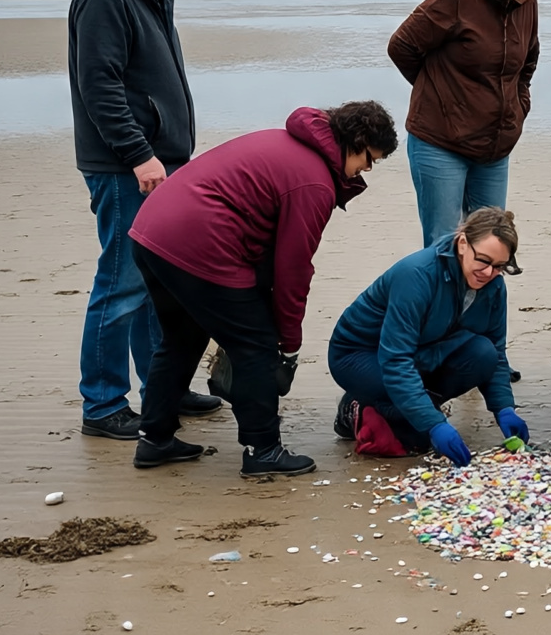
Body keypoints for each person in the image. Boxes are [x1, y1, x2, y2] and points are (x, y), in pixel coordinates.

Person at [127, 102, 397, 477]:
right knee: (254, 345)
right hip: (199, 241)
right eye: (369, 160)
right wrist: (288, 342)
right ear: (357, 141)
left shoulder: (286, 140)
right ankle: (262, 449)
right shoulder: (315, 182)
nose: (366, 170)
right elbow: (293, 270)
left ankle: (154, 439)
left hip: (151, 231)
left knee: (181, 337)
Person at [68, 0, 221, 439]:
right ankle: (103, 405)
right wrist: (139, 155)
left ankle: (164, 387)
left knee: (162, 283)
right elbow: (99, 86)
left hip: (160, 160)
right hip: (125, 168)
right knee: (122, 282)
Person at [387, 0, 551, 247]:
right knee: (444, 246)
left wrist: (519, 106)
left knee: (492, 245)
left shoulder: (527, 5)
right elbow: (401, 46)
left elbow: (527, 63)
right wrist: (444, 97)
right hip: (439, 143)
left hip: (495, 148)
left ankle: (483, 302)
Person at [328, 207, 528, 466]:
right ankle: (356, 406)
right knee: (419, 435)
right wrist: (434, 423)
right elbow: (396, 360)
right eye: (483, 260)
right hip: (362, 355)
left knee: (483, 353)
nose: (489, 273)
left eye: (499, 266)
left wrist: (504, 408)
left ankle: (412, 407)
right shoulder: (417, 275)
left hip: (426, 349)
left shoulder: (493, 287)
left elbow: (497, 351)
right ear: (463, 243)